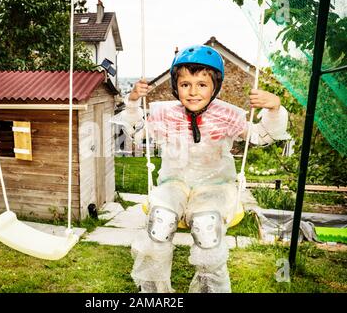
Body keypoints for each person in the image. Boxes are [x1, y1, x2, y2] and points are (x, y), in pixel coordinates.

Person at [112, 45, 290, 293]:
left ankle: (210, 289)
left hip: (215, 187)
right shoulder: (166, 114)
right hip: (173, 185)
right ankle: (153, 291)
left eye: (202, 85)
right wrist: (132, 103)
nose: (193, 92)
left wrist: (274, 108)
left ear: (215, 87)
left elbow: (262, 136)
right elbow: (136, 131)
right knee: (160, 222)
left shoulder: (227, 115)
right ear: (176, 87)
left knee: (207, 228)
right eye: (185, 84)